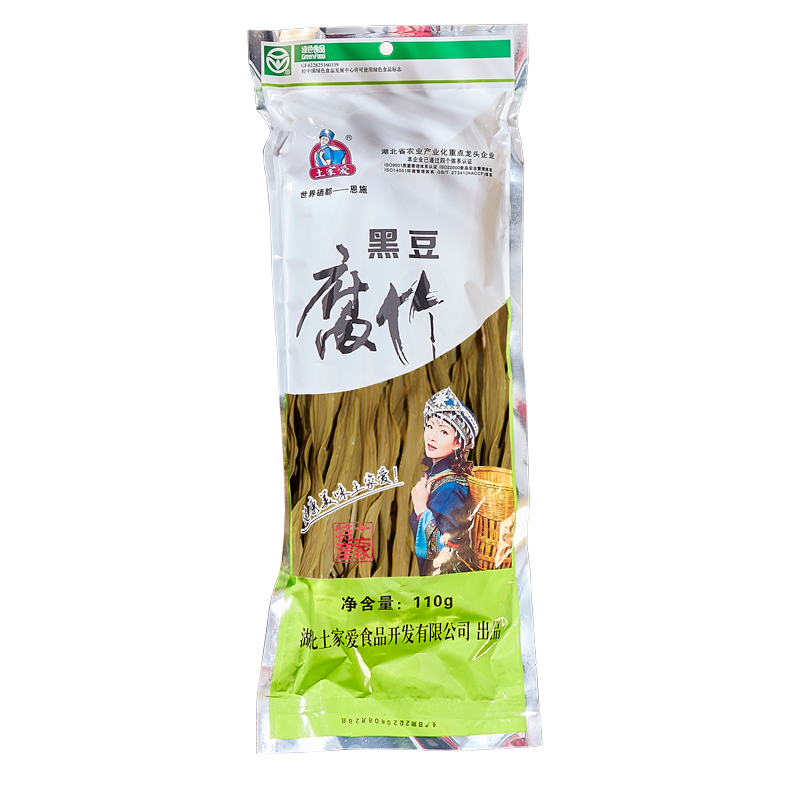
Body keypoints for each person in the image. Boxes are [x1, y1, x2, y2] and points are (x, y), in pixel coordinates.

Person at [409, 387, 480, 576]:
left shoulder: (451, 486)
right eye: (430, 426)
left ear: (458, 443)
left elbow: (447, 549)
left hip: (448, 584)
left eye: (443, 432)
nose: (432, 436)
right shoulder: (438, 477)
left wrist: (421, 509)